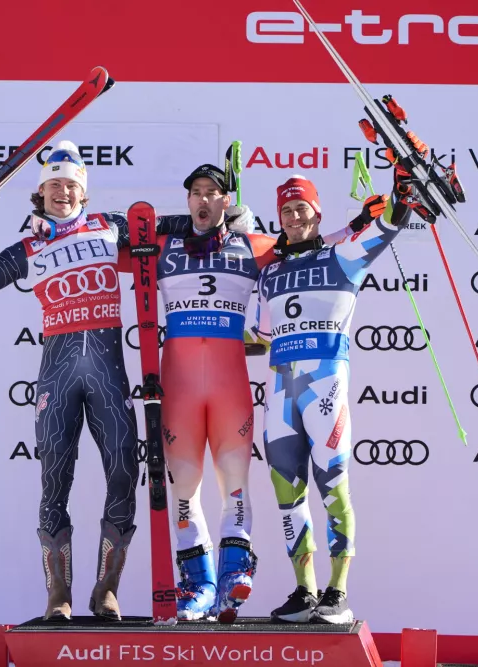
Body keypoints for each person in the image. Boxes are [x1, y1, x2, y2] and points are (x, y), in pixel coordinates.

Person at [0, 141, 190, 623]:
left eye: (72, 185)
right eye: (54, 185)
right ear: (40, 192)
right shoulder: (29, 246)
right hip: (57, 375)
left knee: (124, 474)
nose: (63, 192)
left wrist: (228, 216)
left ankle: (106, 589)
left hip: (109, 373)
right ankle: (58, 596)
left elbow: (171, 226)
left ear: (83, 193)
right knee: (54, 484)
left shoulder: (110, 226)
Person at [250, 140, 423, 624]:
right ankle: (303, 591)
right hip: (280, 392)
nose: (292, 216)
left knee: (333, 485)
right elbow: (258, 336)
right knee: (287, 492)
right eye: (285, 209)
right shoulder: (271, 274)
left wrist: (402, 183)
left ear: (316, 212)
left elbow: (390, 221)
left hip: (324, 387)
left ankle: (337, 592)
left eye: (301, 207)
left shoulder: (343, 255)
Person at [152, 164, 276, 623]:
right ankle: (199, 585)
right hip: (180, 389)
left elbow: (309, 244)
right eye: (195, 193)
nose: (203, 200)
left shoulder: (252, 246)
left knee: (235, 485)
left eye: (213, 193)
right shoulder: (162, 246)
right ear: (188, 202)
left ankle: (232, 579)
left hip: (229, 387)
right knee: (184, 490)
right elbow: (114, 228)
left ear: (228, 201)